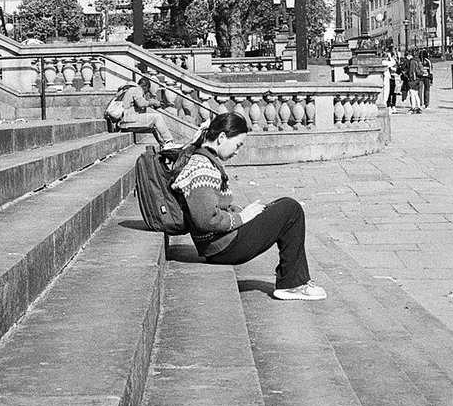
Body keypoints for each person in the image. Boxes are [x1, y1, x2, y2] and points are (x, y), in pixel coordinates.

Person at [170, 111, 327, 300]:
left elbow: (212, 207)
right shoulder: (201, 167)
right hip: (223, 247)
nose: (237, 152)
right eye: (237, 145)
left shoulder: (203, 161)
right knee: (291, 209)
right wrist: (241, 218)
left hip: (220, 243)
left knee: (281, 206)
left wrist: (241, 212)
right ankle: (292, 284)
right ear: (221, 137)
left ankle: (293, 280)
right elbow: (206, 219)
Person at [119, 75, 174, 146]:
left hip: (125, 122)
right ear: (145, 87)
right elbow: (141, 103)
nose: (146, 93)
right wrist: (153, 102)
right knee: (157, 117)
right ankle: (169, 142)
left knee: (154, 127)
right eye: (147, 91)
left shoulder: (129, 89)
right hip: (129, 120)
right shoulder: (137, 89)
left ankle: (164, 145)